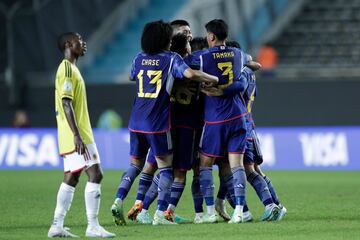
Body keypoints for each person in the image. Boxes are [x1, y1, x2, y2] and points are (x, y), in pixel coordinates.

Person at [111, 20, 218, 226]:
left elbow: (131, 75)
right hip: (158, 123)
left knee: (137, 166)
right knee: (167, 169)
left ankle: (119, 200)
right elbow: (190, 73)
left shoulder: (138, 58)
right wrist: (213, 78)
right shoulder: (171, 59)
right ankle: (160, 215)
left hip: (135, 121)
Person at [48, 32, 115, 238]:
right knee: (96, 174)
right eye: (79, 39)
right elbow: (66, 103)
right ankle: (92, 226)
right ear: (69, 44)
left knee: (71, 177)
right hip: (77, 135)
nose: (83, 42)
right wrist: (77, 136)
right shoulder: (67, 68)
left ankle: (56, 225)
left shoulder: (71, 68)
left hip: (70, 134)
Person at [192, 19, 249, 224]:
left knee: (205, 164)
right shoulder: (239, 54)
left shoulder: (202, 57)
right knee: (237, 165)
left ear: (211, 37)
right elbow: (253, 64)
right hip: (239, 116)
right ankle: (240, 212)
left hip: (216, 120)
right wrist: (227, 87)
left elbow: (184, 65)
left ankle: (209, 212)